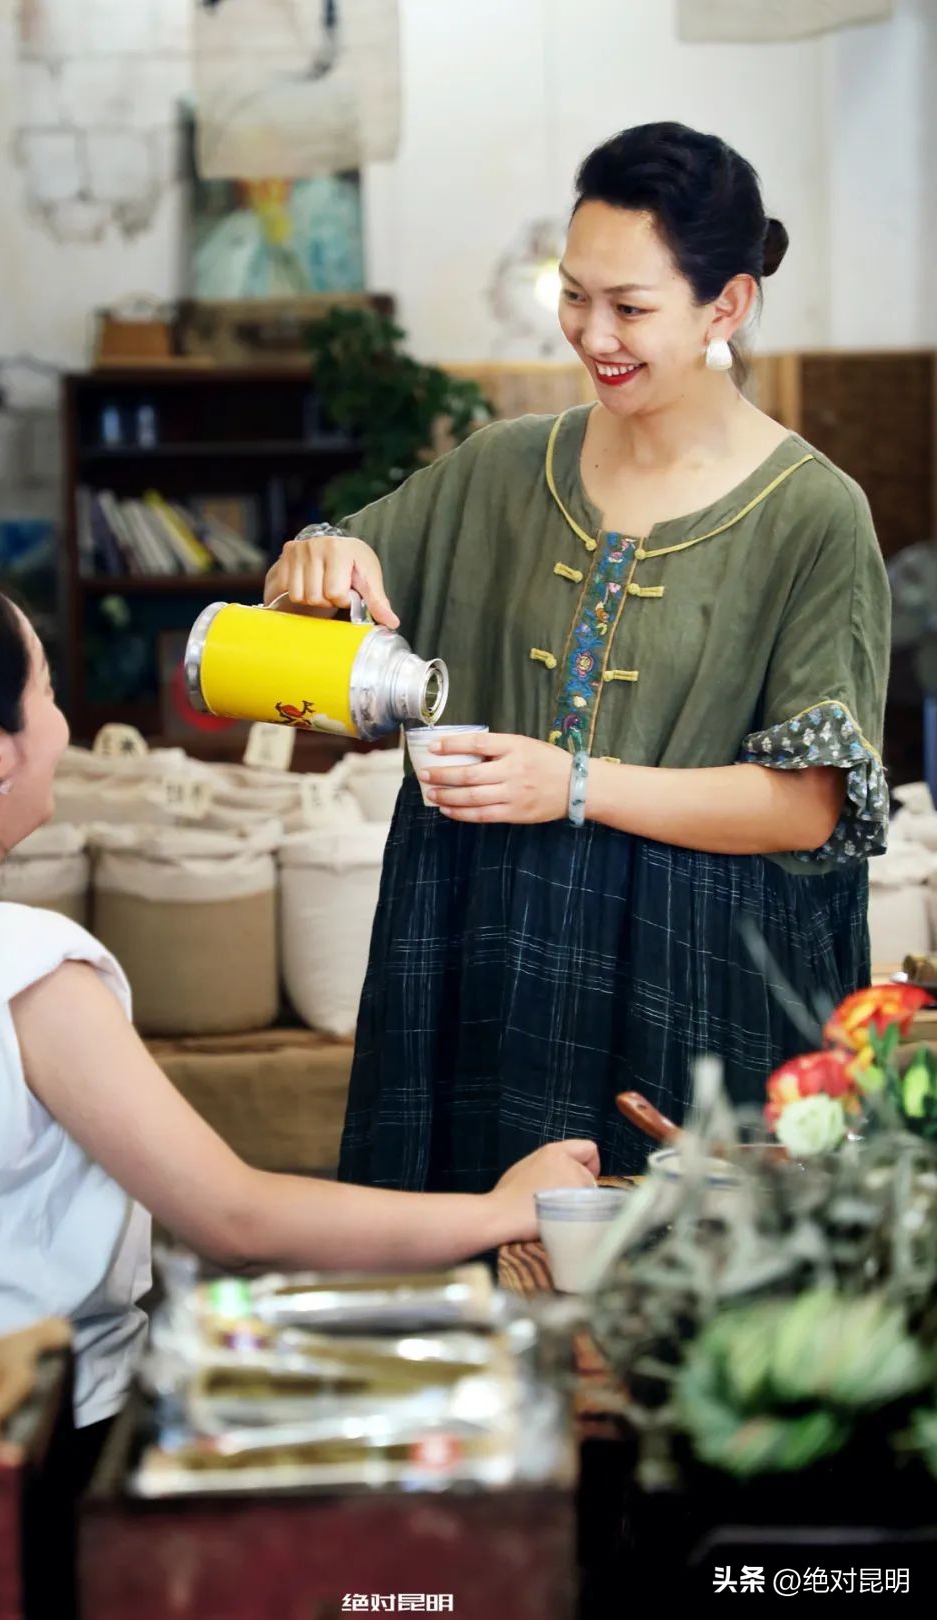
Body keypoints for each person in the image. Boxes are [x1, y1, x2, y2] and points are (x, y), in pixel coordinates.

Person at [265, 121, 892, 1186]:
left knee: (677, 1312)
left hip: (698, 975)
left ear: (727, 306)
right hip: (486, 956)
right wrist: (312, 562)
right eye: (575, 294)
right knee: (474, 1288)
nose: (592, 333)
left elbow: (809, 807)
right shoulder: (503, 469)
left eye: (631, 308)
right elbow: (322, 607)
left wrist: (577, 784)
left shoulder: (814, 515)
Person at [0, 566, 599, 1438]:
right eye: (49, 694)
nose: (62, 727)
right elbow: (234, 1219)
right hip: (22, 1441)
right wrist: (506, 1210)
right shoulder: (23, 969)